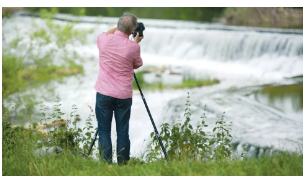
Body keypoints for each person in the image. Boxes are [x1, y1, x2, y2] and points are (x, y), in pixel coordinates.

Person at [94, 12, 143, 164]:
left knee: (104, 131)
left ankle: (106, 165)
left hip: (104, 93)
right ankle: (122, 165)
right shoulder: (133, 47)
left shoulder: (103, 40)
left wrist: (120, 28)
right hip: (123, 96)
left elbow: (105, 33)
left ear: (118, 25)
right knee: (122, 132)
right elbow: (137, 64)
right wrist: (135, 41)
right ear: (132, 31)